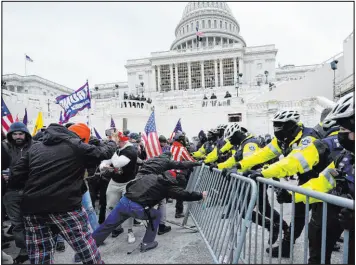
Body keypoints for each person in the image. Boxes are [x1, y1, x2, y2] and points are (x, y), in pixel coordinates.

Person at [7, 123, 117, 264]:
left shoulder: (35, 147)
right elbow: (104, 152)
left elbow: (16, 176)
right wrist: (112, 141)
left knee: (40, 252)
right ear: (81, 138)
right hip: (66, 206)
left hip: (32, 208)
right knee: (83, 244)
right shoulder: (75, 144)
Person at [277, 93, 355, 264]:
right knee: (317, 244)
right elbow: (321, 182)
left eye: (344, 129)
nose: (340, 135)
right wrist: (292, 195)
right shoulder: (346, 157)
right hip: (340, 214)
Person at [233, 110, 321, 258]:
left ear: (292, 125)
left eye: (280, 126)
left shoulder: (308, 138)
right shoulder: (283, 139)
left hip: (322, 180)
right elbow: (262, 154)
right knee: (299, 215)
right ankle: (287, 246)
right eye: (276, 126)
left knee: (319, 222)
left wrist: (263, 172)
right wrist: (240, 165)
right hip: (306, 179)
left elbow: (292, 162)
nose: (277, 130)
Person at [92, 158, 206, 252]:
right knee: (156, 215)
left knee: (108, 224)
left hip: (124, 201)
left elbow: (131, 184)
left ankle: (91, 246)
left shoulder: (151, 176)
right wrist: (200, 195)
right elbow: (184, 195)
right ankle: (147, 243)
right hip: (136, 207)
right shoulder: (169, 187)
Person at [213, 123, 288, 244]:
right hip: (251, 181)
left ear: (237, 134)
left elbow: (249, 163)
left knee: (247, 211)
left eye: (231, 139)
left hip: (255, 180)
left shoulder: (250, 144)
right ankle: (282, 227)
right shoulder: (243, 144)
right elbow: (233, 160)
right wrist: (219, 166)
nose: (230, 142)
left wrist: (236, 170)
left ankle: (275, 226)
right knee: (264, 209)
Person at [136, 152, 201, 234]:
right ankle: (161, 227)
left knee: (147, 204)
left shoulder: (151, 160)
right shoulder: (166, 161)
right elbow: (181, 164)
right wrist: (195, 163)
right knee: (161, 202)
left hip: (139, 184)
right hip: (150, 183)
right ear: (169, 157)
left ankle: (149, 224)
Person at [2, 122, 35, 263]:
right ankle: (24, 250)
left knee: (32, 222)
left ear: (26, 134)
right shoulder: (4, 148)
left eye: (20, 133)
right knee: (17, 224)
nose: (17, 136)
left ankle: (36, 247)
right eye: (14, 134)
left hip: (31, 190)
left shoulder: (35, 147)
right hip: (11, 192)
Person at [99, 131, 138, 243]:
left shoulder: (131, 150)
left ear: (122, 141)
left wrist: (112, 152)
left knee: (128, 207)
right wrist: (103, 165)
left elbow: (116, 164)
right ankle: (113, 229)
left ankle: (129, 231)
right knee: (110, 206)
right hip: (115, 181)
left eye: (117, 141)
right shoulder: (119, 149)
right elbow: (108, 160)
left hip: (127, 182)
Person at [171, 131, 197, 218]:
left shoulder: (172, 147)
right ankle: (179, 212)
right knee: (180, 193)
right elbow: (190, 160)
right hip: (179, 174)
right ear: (181, 140)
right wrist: (197, 162)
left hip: (170, 173)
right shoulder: (181, 149)